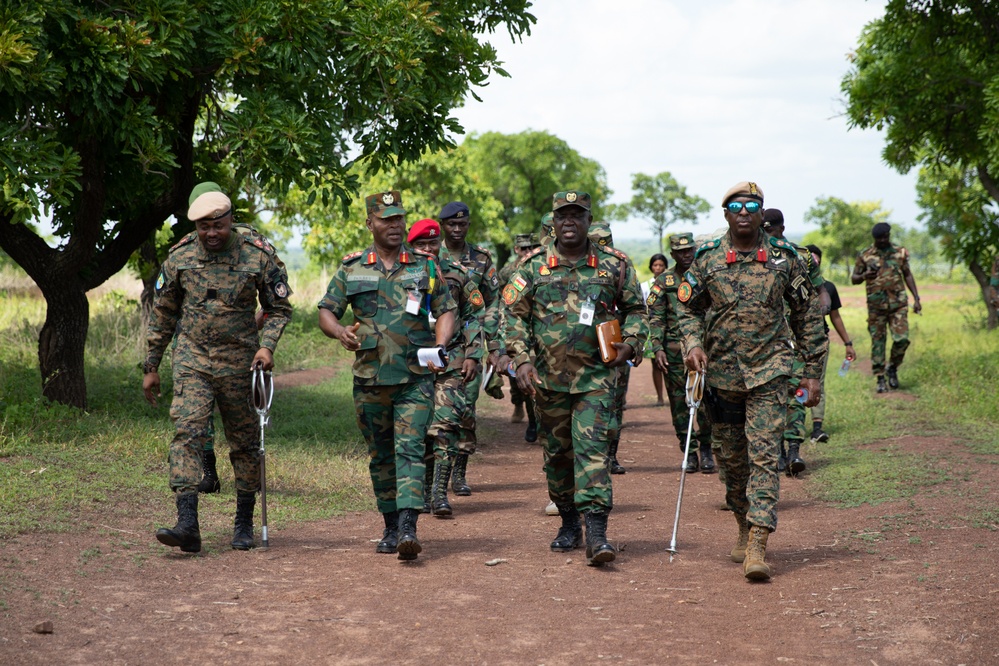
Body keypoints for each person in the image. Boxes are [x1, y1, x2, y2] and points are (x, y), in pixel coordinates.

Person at [677, 181, 827, 581]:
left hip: (770, 372)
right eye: (736, 206)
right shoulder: (707, 259)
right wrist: (692, 343)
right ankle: (743, 523)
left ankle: (759, 540)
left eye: (752, 205)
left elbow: (808, 317)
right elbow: (687, 308)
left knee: (763, 456)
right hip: (722, 375)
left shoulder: (785, 259)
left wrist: (812, 374)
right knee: (731, 461)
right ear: (726, 214)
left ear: (762, 212)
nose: (744, 211)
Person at [144, 182, 293, 553]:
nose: (211, 233)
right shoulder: (180, 257)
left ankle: (243, 521)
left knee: (244, 444)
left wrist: (266, 347)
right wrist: (151, 364)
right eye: (203, 227)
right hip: (192, 360)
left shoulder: (257, 256)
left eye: (218, 225)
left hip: (240, 363)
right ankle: (188, 523)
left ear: (230, 220)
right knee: (188, 434)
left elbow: (279, 309)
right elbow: (163, 314)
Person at [505, 190, 648, 566]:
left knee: (593, 453)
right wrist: (521, 360)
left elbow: (637, 310)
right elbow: (513, 317)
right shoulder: (532, 267)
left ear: (588, 221)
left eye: (577, 215)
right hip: (547, 381)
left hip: (596, 378)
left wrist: (630, 344)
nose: (570, 222)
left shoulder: (613, 265)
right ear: (553, 222)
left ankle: (597, 533)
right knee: (557, 456)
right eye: (562, 216)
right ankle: (569, 521)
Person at [318, 191, 456, 561]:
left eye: (399, 219)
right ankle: (390, 525)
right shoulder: (353, 267)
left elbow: (445, 309)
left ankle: (409, 527)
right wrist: (338, 332)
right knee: (380, 456)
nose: (395, 226)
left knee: (409, 449)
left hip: (414, 377)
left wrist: (441, 345)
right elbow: (327, 311)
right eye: (387, 220)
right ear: (370, 223)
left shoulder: (424, 265)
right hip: (369, 378)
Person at [407, 218, 484, 517]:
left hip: (451, 358)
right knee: (422, 428)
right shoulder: (401, 274)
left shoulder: (458, 274)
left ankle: (439, 493)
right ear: (411, 245)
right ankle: (423, 493)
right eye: (420, 244)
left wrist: (473, 354)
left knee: (447, 424)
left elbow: (474, 315)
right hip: (413, 363)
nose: (427, 249)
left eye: (432, 243)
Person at [438, 201, 499, 496]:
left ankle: (459, 474)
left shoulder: (482, 259)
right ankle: (436, 478)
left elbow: (492, 303)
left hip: (469, 348)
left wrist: (491, 346)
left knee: (466, 411)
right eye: (452, 224)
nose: (458, 229)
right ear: (443, 226)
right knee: (436, 414)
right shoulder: (428, 256)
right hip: (434, 347)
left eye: (462, 224)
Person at [761, 209, 828, 476]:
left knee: (797, 394)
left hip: (796, 339)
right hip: (768, 340)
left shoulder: (801, 256)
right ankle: (775, 450)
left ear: (782, 228)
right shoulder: (756, 256)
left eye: (771, 230)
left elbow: (821, 288)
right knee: (771, 396)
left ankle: (793, 450)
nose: (768, 235)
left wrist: (821, 309)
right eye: (764, 231)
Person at [647, 233, 713, 474]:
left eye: (689, 250)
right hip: (675, 352)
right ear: (672, 255)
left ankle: (707, 449)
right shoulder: (663, 282)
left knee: (707, 402)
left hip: (705, 351)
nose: (686, 255)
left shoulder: (706, 275)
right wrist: (657, 348)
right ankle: (689, 451)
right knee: (679, 405)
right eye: (680, 252)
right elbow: (655, 316)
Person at [851, 222, 921, 392]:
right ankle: (880, 377)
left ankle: (893, 368)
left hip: (898, 304)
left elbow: (908, 275)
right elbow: (854, 278)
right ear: (874, 238)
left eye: (885, 237)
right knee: (878, 342)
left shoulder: (899, 253)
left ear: (889, 235)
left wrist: (916, 298)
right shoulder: (865, 255)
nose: (882, 240)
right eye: (879, 238)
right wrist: (864, 275)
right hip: (876, 306)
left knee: (902, 339)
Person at [805, 244, 857, 443]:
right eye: (811, 259)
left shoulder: (828, 288)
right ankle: (791, 429)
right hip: (792, 343)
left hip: (819, 340)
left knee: (818, 383)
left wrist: (848, 343)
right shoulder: (790, 284)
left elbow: (835, 317)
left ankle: (817, 428)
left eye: (817, 259)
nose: (814, 262)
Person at [496, 233, 542, 441]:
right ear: (516, 250)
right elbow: (501, 303)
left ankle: (535, 422)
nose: (527, 251)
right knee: (516, 378)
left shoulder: (541, 267)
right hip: (516, 330)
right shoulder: (507, 272)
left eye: (531, 247)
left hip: (539, 331)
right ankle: (518, 406)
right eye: (523, 248)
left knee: (534, 378)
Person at [643, 253, 669, 406]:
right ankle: (659, 397)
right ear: (651, 267)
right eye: (655, 265)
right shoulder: (646, 286)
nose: (658, 268)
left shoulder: (670, 283)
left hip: (669, 327)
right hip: (653, 328)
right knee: (655, 363)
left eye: (661, 265)